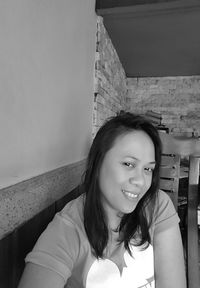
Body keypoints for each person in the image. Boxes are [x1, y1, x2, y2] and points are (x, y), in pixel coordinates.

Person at [18, 112, 186, 288]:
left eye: (148, 169)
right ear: (98, 163)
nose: (141, 181)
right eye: (128, 164)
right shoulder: (67, 230)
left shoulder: (157, 205)